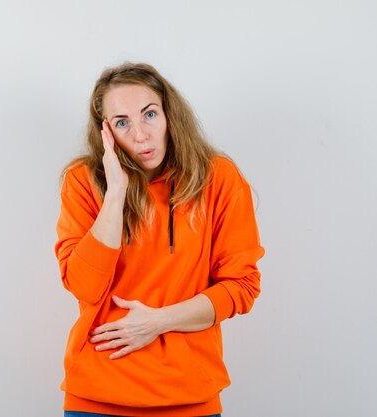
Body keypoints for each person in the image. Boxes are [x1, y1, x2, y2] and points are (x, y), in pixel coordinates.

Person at [54, 62, 265, 417]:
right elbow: (84, 287)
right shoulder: (83, 182)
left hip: (188, 397)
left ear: (170, 114)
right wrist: (116, 193)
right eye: (122, 123)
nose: (140, 135)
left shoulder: (218, 179)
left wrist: (158, 321)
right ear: (105, 133)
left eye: (149, 114)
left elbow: (242, 285)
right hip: (97, 396)